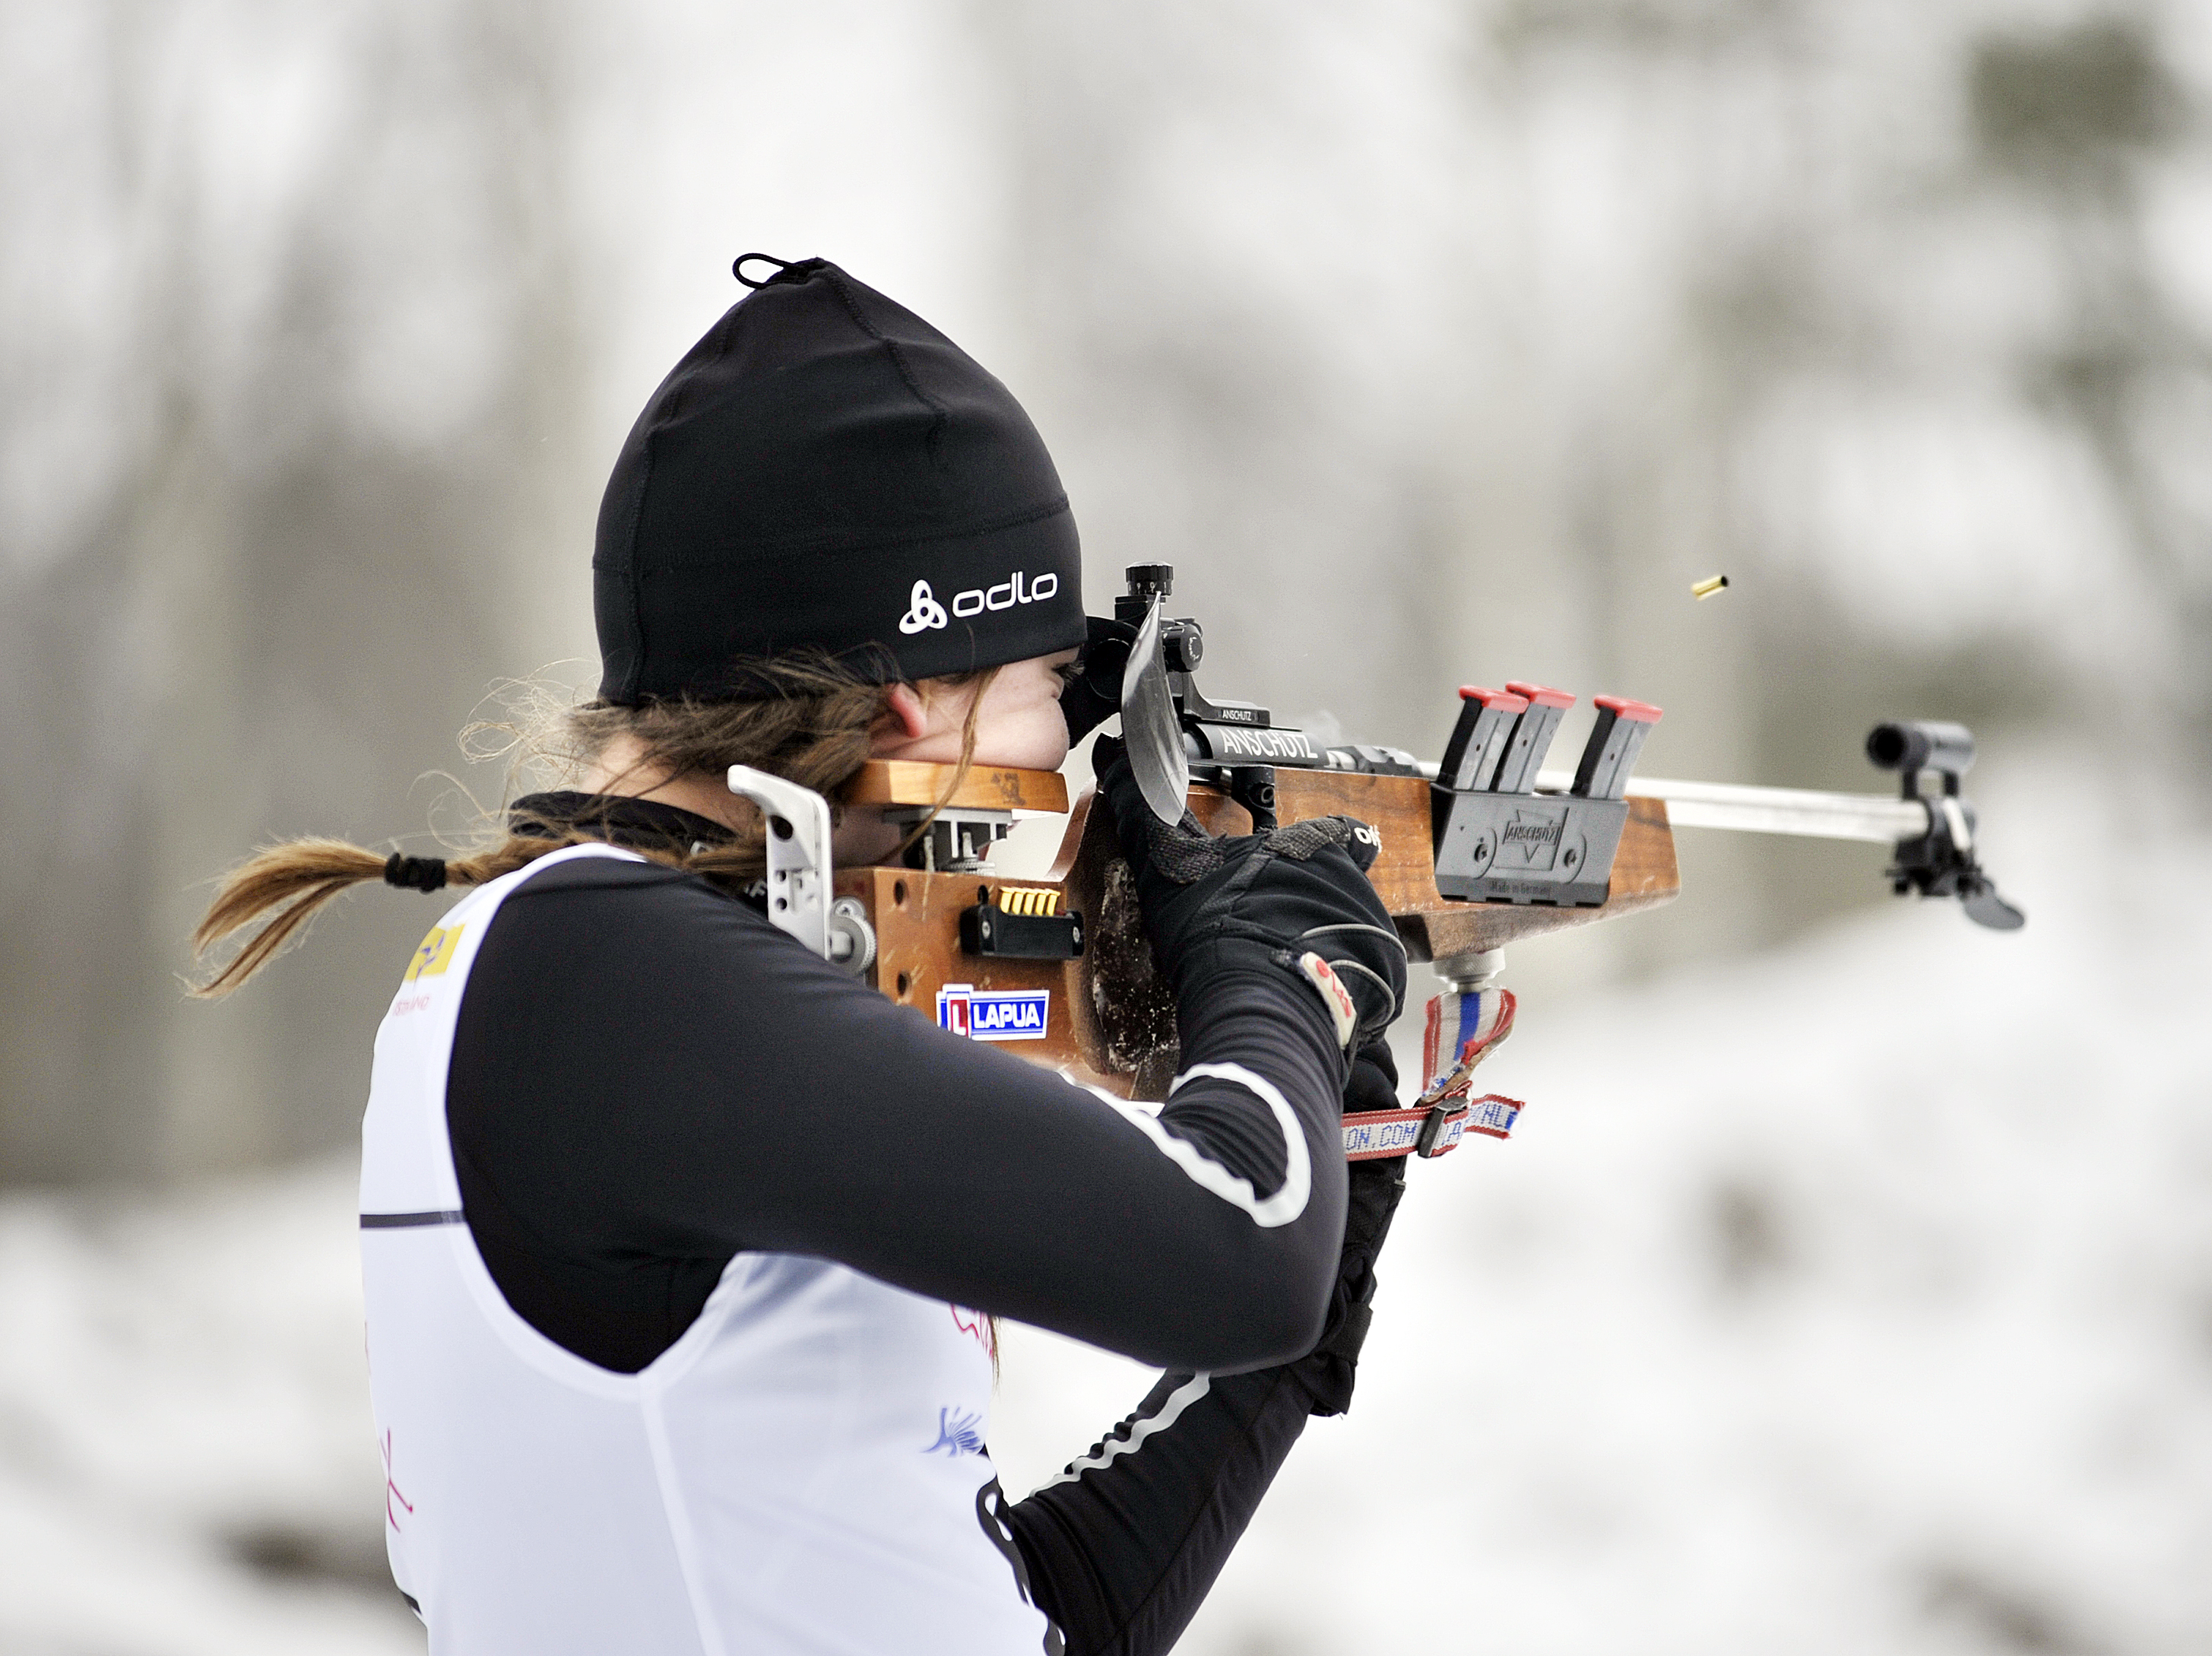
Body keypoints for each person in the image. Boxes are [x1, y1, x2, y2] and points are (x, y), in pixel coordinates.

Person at [190, 255, 1412, 1656]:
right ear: (910, 708)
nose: (1053, 768)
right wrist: (1270, 975)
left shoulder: (587, 969)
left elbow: (1013, 1618)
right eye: (1036, 700)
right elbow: (1234, 1247)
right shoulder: (606, 976)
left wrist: (1330, 1183)